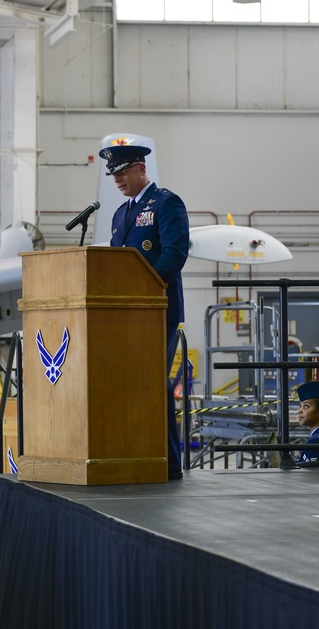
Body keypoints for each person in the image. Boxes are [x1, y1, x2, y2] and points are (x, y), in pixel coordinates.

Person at [101, 143, 190, 480]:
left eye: (123, 172)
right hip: (123, 315)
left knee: (155, 383)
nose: (118, 179)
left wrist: (144, 289)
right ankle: (132, 453)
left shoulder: (166, 202)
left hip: (155, 310)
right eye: (113, 174)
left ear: (140, 167)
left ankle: (167, 461)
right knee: (127, 383)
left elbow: (175, 252)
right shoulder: (120, 214)